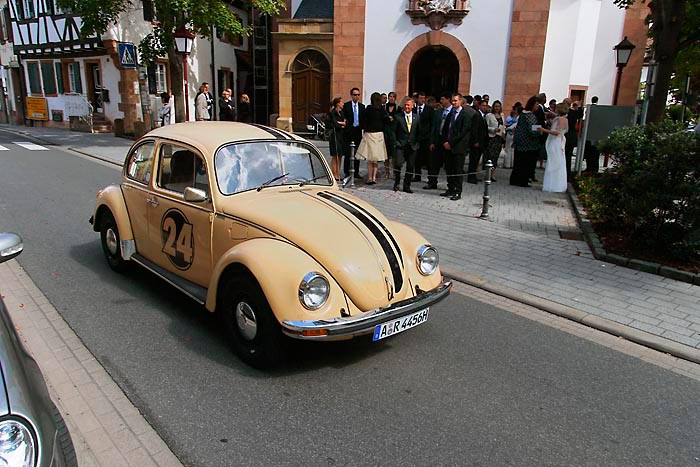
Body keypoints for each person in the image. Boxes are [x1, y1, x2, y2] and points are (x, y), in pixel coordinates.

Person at [441, 93, 471, 201]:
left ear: (460, 101)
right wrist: (445, 141)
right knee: (449, 169)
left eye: (456, 101)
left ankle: (458, 191)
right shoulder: (450, 114)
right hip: (447, 146)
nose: (453, 103)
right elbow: (445, 129)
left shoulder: (465, 115)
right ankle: (450, 188)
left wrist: (451, 143)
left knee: (457, 170)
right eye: (452, 101)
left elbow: (463, 132)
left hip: (458, 148)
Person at [356, 92, 388, 185]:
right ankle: (374, 177)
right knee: (376, 158)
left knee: (370, 158)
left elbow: (363, 120)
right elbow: (386, 120)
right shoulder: (382, 109)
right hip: (379, 135)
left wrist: (365, 128)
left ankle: (370, 177)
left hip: (370, 134)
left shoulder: (369, 109)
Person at [510, 96, 541, 187]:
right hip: (527, 143)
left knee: (518, 163)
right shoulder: (530, 115)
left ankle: (515, 180)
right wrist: (539, 131)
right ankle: (522, 181)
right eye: (536, 104)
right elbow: (532, 128)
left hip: (519, 142)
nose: (537, 106)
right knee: (525, 163)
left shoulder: (523, 114)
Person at [393, 96, 420, 193]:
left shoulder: (416, 117)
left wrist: (417, 144)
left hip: (412, 146)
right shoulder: (398, 117)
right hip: (400, 145)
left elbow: (419, 132)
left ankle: (407, 185)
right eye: (405, 105)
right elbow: (393, 132)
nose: (407, 107)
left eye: (409, 105)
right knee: (398, 164)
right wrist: (396, 142)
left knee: (410, 166)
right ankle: (396, 182)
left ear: (412, 106)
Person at [425, 92, 452, 190]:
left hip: (448, 141)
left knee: (448, 165)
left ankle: (450, 186)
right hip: (437, 140)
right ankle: (432, 182)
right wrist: (432, 141)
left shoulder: (453, 111)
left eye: (442, 99)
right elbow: (434, 127)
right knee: (433, 163)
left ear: (448, 99)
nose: (440, 101)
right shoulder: (438, 112)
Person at [540, 102, 569, 192]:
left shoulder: (560, 119)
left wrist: (544, 130)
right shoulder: (565, 119)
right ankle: (558, 184)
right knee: (558, 162)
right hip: (560, 142)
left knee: (553, 162)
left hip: (555, 142)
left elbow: (557, 132)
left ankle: (552, 184)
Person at [342, 87, 365, 178]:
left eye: (358, 95)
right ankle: (347, 172)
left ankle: (356, 171)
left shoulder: (362, 107)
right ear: (351, 95)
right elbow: (344, 118)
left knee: (357, 153)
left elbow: (363, 119)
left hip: (358, 131)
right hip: (349, 131)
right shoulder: (346, 106)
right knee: (348, 153)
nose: (357, 97)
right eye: (355, 95)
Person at [413, 91, 435, 183]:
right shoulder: (413, 109)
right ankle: (417, 176)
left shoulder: (429, 110)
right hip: (416, 138)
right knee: (416, 159)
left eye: (423, 98)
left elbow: (433, 124)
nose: (422, 100)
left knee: (429, 160)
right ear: (417, 99)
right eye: (420, 98)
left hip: (427, 138)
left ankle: (431, 179)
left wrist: (431, 139)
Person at [563, 97, 583, 180]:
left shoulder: (565, 113)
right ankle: (567, 174)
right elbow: (580, 115)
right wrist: (579, 107)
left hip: (565, 136)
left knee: (564, 156)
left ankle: (563, 173)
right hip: (571, 136)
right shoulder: (573, 112)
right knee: (568, 156)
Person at [485, 100, 505, 181]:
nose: (497, 108)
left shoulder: (502, 115)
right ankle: (487, 174)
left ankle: (493, 174)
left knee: (496, 157)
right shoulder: (489, 115)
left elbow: (503, 125)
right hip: (491, 138)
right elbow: (485, 127)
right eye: (495, 106)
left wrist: (503, 133)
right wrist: (493, 129)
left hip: (499, 139)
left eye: (498, 106)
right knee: (490, 156)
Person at [328, 97, 346, 181]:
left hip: (341, 136)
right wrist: (341, 124)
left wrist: (342, 123)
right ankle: (334, 173)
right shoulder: (333, 113)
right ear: (338, 103)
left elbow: (346, 123)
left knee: (340, 155)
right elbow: (335, 124)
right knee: (335, 155)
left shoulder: (341, 113)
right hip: (335, 136)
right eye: (342, 102)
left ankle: (338, 172)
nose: (343, 103)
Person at [383, 92, 399, 179]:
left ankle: (394, 172)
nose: (391, 98)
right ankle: (387, 172)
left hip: (394, 133)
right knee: (386, 155)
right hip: (386, 133)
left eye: (393, 97)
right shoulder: (384, 108)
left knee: (394, 155)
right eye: (390, 97)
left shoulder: (398, 108)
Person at [503, 102, 521, 169]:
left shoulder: (509, 118)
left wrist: (507, 129)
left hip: (510, 133)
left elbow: (508, 125)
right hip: (515, 134)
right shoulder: (519, 118)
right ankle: (512, 164)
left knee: (508, 149)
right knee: (513, 150)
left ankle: (507, 164)